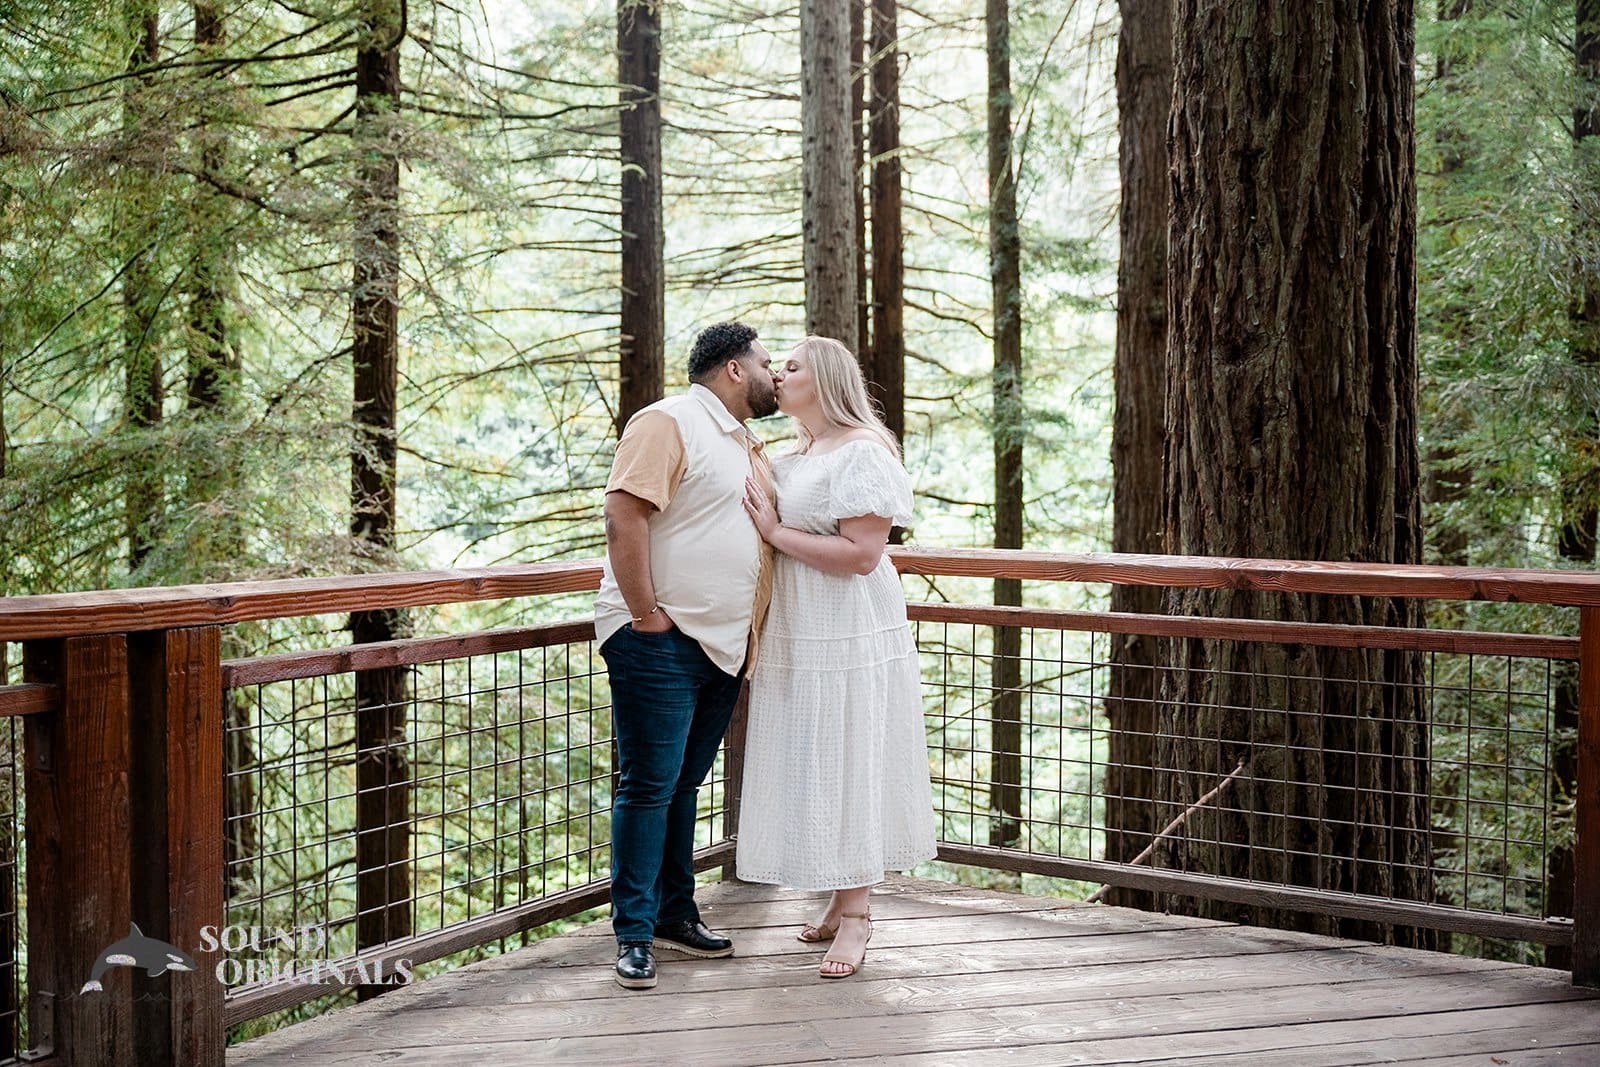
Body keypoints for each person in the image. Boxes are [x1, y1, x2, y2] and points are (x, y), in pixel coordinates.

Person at [737, 335, 938, 979]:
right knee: (814, 756)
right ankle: (834, 896)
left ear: (823, 382)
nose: (777, 374)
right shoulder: (801, 453)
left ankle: (857, 917)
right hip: (800, 630)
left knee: (849, 755)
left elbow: (861, 556)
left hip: (849, 630)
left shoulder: (862, 452)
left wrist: (773, 531)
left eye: (791, 367)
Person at [596, 321, 782, 990]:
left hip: (724, 646)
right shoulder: (668, 420)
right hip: (659, 640)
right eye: (766, 363)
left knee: (680, 785)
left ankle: (676, 912)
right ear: (735, 369)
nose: (774, 375)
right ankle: (635, 934)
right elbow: (624, 512)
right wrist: (645, 612)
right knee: (649, 784)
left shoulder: (746, 444)